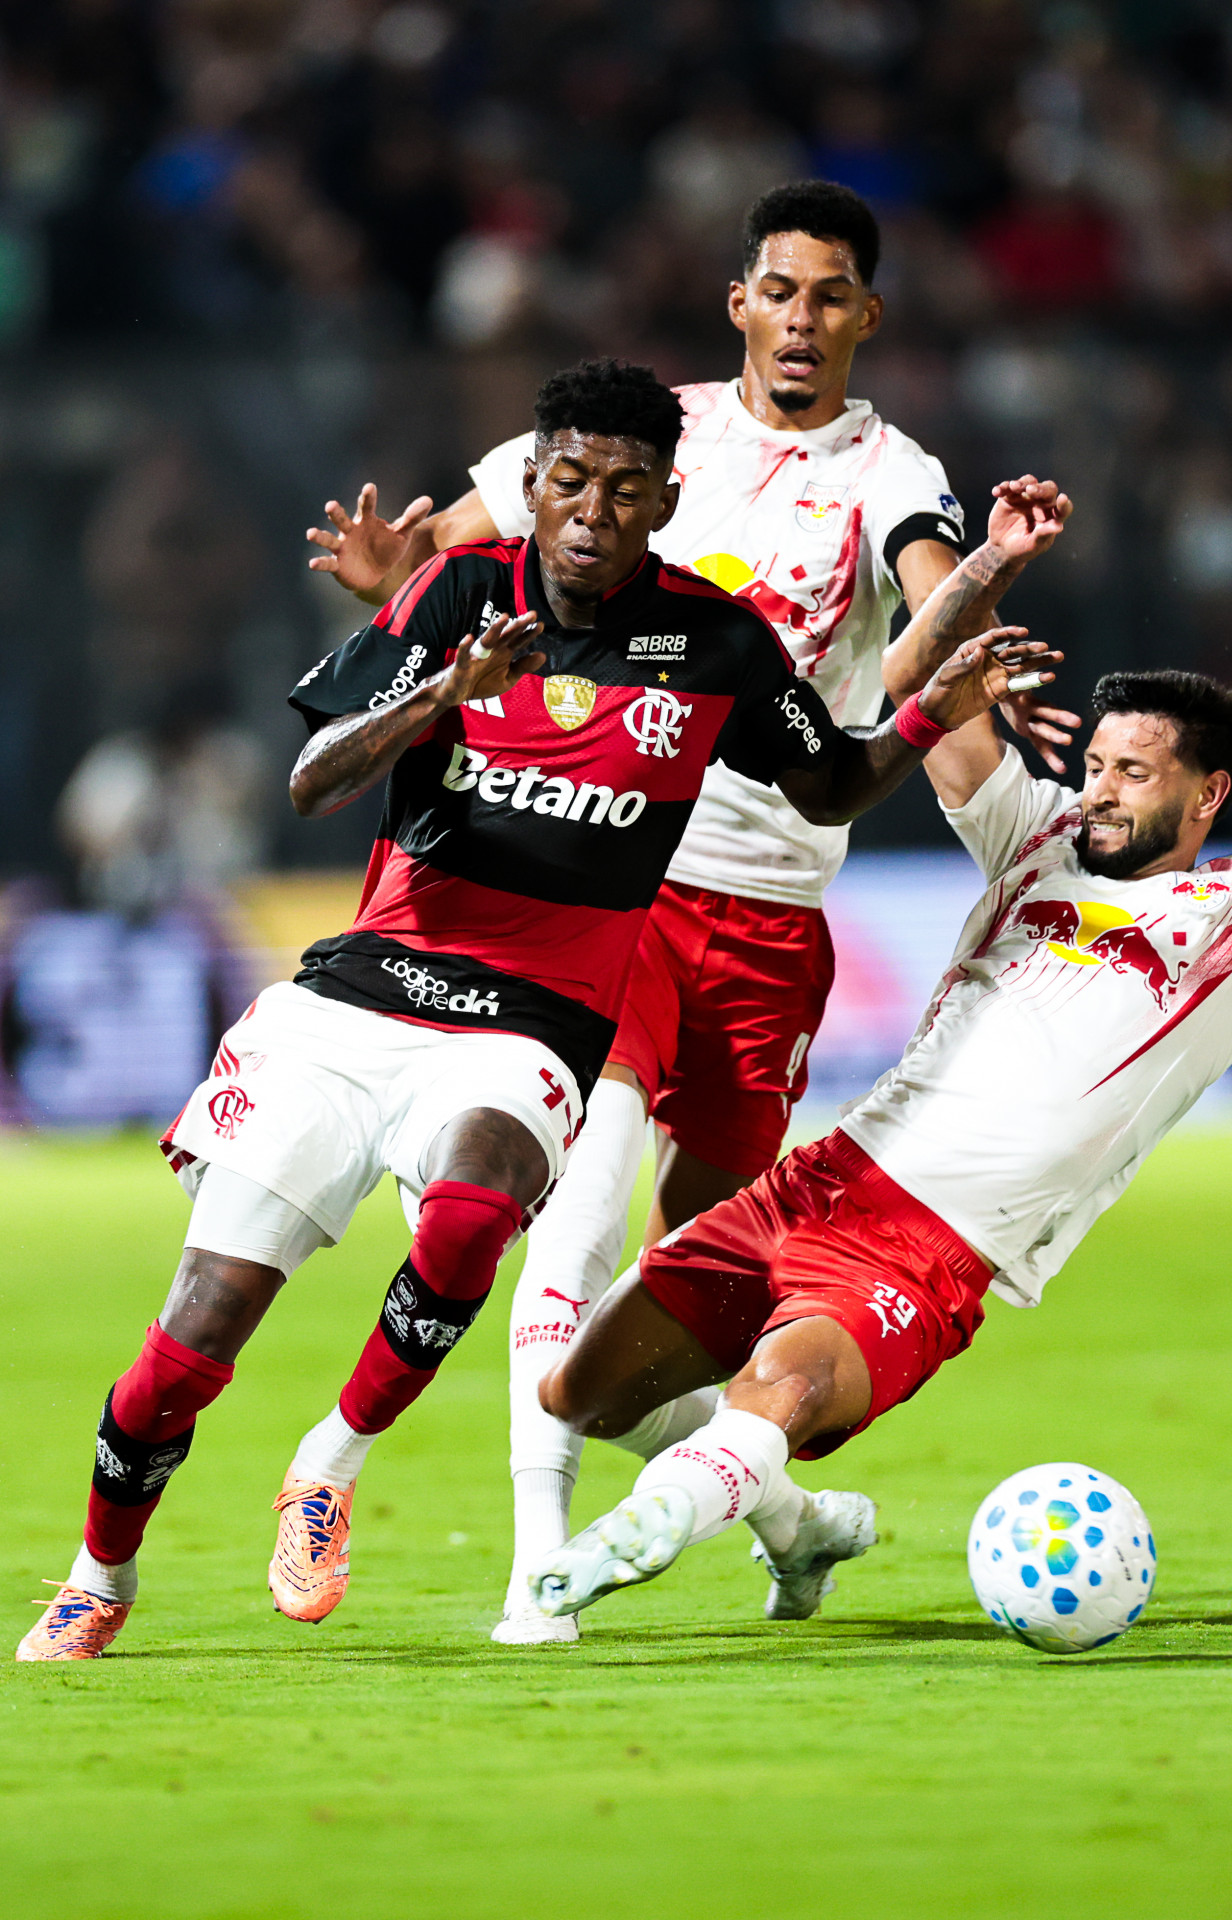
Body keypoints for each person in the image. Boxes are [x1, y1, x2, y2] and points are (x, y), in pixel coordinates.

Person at [17, 359, 1052, 1662]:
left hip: (533, 1023)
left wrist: (920, 713)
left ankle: (331, 1463)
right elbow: (308, 782)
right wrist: (442, 691)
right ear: (535, 482)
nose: (591, 511)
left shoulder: (712, 639)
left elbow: (829, 785)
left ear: (663, 499)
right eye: (569, 481)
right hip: (357, 1004)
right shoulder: (456, 592)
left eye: (625, 489)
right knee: (198, 1331)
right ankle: (98, 1574)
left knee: (471, 1218)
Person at [305, 179, 1075, 1640]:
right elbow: (461, 554)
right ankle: (532, 1573)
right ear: (738, 303)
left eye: (828, 295)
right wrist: (390, 590)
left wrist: (975, 580)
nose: (799, 319)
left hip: (771, 916)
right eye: (775, 291)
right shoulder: (642, 438)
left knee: (686, 1293)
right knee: (573, 1229)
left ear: (865, 315)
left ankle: (789, 1520)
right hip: (615, 885)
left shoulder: (889, 470)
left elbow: (907, 652)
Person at [519, 642, 1232, 1625]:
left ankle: (641, 1530)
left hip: (924, 1252)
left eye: (1133, 774)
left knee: (787, 1383)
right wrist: (994, 568)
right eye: (1095, 765)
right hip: (817, 1183)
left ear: (1207, 793)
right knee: (580, 1395)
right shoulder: (1037, 835)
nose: (1099, 793)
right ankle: (800, 1526)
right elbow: (925, 689)